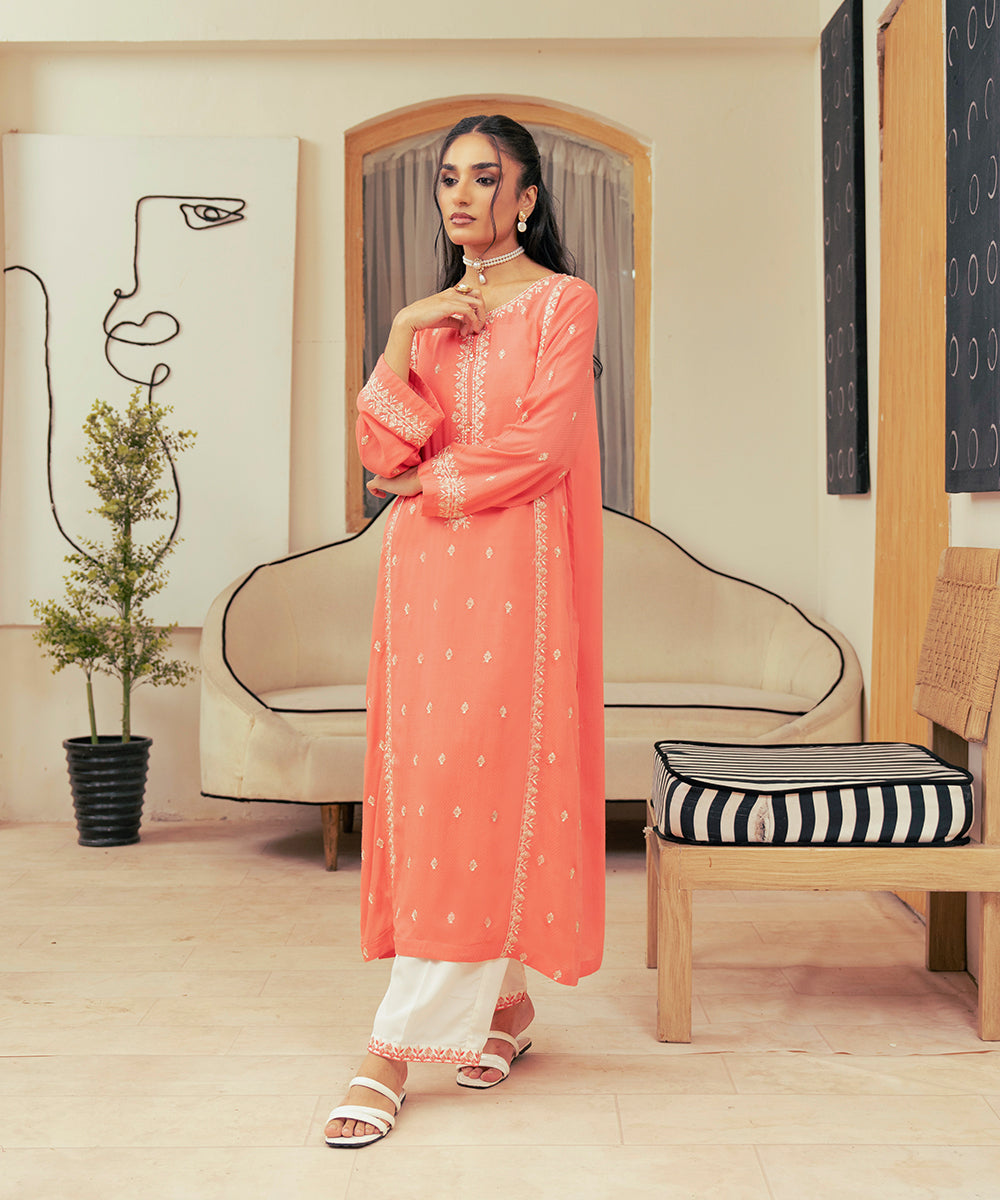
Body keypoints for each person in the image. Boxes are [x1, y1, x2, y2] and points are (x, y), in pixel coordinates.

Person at [325, 114, 605, 1148]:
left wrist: (427, 482)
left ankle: (392, 1051)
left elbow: (545, 445)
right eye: (448, 178)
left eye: (486, 178)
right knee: (431, 784)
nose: (461, 195)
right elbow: (378, 447)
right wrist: (404, 330)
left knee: (480, 784)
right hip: (422, 580)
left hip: (514, 572)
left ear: (525, 199)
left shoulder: (565, 301)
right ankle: (506, 1006)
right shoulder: (432, 320)